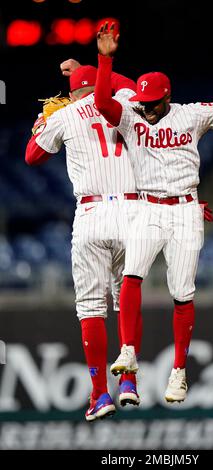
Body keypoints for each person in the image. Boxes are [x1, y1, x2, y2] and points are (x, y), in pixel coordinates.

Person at [94, 23, 213, 403]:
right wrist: (104, 60)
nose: (146, 108)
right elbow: (105, 104)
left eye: (152, 103)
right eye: (142, 101)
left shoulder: (190, 116)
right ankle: (128, 350)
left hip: (185, 210)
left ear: (167, 98)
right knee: (132, 273)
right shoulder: (132, 114)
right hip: (147, 206)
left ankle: (178, 372)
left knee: (182, 293)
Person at [25, 33, 143, 421]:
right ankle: (129, 383)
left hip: (92, 215)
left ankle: (98, 394)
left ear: (73, 93)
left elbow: (33, 157)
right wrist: (93, 71)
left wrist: (45, 120)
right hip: (132, 212)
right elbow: (129, 84)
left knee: (91, 307)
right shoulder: (124, 100)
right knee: (127, 295)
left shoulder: (63, 115)